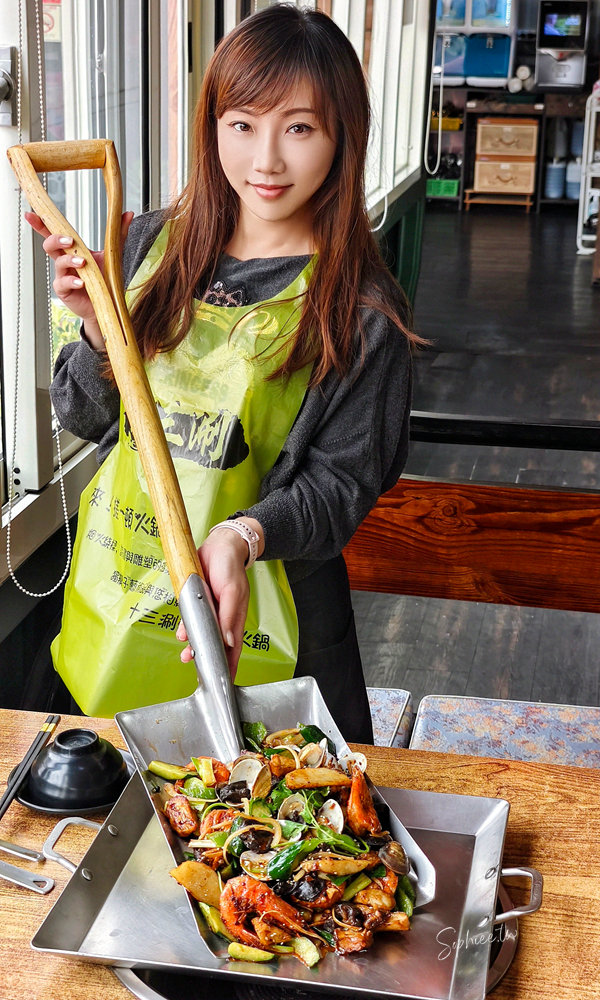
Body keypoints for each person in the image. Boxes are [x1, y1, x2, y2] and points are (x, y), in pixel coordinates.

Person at [27, 4, 416, 744]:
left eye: (298, 128)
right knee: (115, 816)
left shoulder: (363, 312)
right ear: (212, 127)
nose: (266, 159)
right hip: (123, 600)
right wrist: (95, 326)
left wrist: (243, 535)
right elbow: (82, 413)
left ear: (342, 135)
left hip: (281, 632)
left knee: (279, 832)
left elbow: (340, 488)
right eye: (242, 124)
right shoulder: (149, 246)